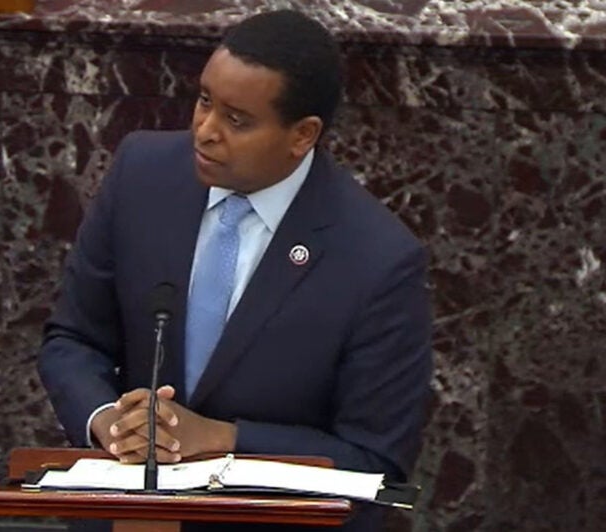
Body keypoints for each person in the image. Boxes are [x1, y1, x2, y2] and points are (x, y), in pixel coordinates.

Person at [37, 9, 432, 531]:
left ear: (302, 135)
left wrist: (225, 439)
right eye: (205, 101)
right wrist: (109, 422)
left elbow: (374, 462)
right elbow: (73, 339)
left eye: (237, 120)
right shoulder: (142, 175)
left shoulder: (376, 259)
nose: (205, 131)